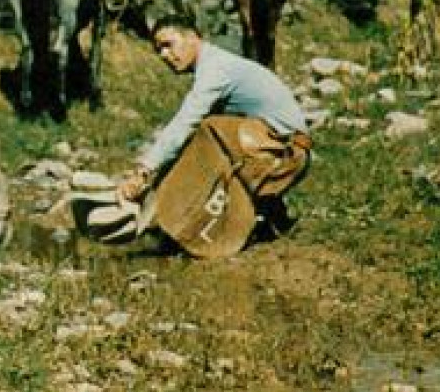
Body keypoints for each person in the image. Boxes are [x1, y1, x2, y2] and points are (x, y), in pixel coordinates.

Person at [114, 17, 311, 258]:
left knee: (210, 131)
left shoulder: (215, 68)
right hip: (276, 146)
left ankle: (185, 225)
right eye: (159, 50)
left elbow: (185, 122)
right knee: (208, 136)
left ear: (192, 38)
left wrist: (144, 169)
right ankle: (269, 217)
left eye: (168, 44)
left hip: (286, 154)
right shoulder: (218, 65)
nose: (164, 55)